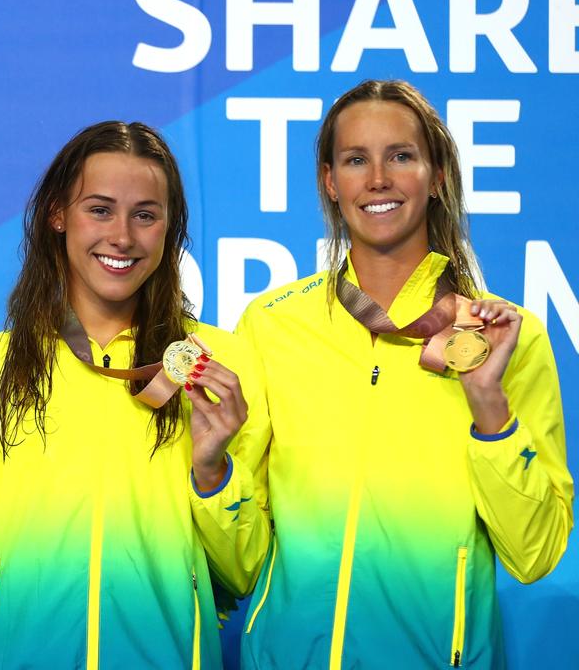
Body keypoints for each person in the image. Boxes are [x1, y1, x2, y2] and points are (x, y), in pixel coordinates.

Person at [235, 80, 573, 669]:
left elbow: (536, 552)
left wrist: (488, 403)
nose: (378, 179)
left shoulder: (506, 337)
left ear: (437, 173)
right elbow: (238, 552)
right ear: (329, 181)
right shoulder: (271, 326)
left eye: (401, 156)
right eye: (355, 159)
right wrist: (210, 476)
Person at [0, 121, 271, 668]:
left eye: (145, 214)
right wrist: (16, 598)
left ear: (169, 230)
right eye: (100, 209)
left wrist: (213, 472)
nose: (123, 236)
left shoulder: (218, 366)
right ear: (58, 216)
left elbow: (247, 569)